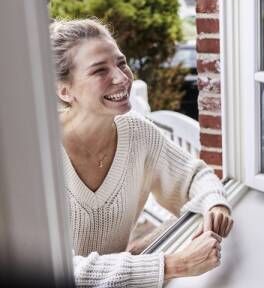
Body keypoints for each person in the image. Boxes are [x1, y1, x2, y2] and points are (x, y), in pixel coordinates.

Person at [49, 19, 234, 286]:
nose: (122, 77)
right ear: (64, 91)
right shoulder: (36, 155)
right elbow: (53, 268)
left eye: (121, 62)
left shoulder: (137, 132)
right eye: (100, 70)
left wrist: (215, 203)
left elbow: (194, 176)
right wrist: (173, 264)